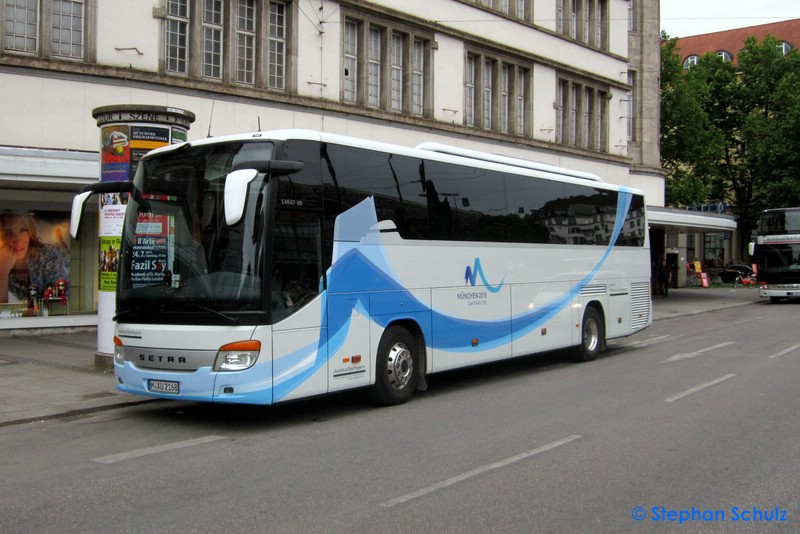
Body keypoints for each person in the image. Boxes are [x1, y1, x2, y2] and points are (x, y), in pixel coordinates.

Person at [0, 211, 70, 304]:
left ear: (30, 233)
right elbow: (3, 312)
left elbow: (60, 302)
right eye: (8, 232)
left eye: (23, 230)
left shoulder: (47, 254)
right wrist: (3, 272)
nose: (17, 240)